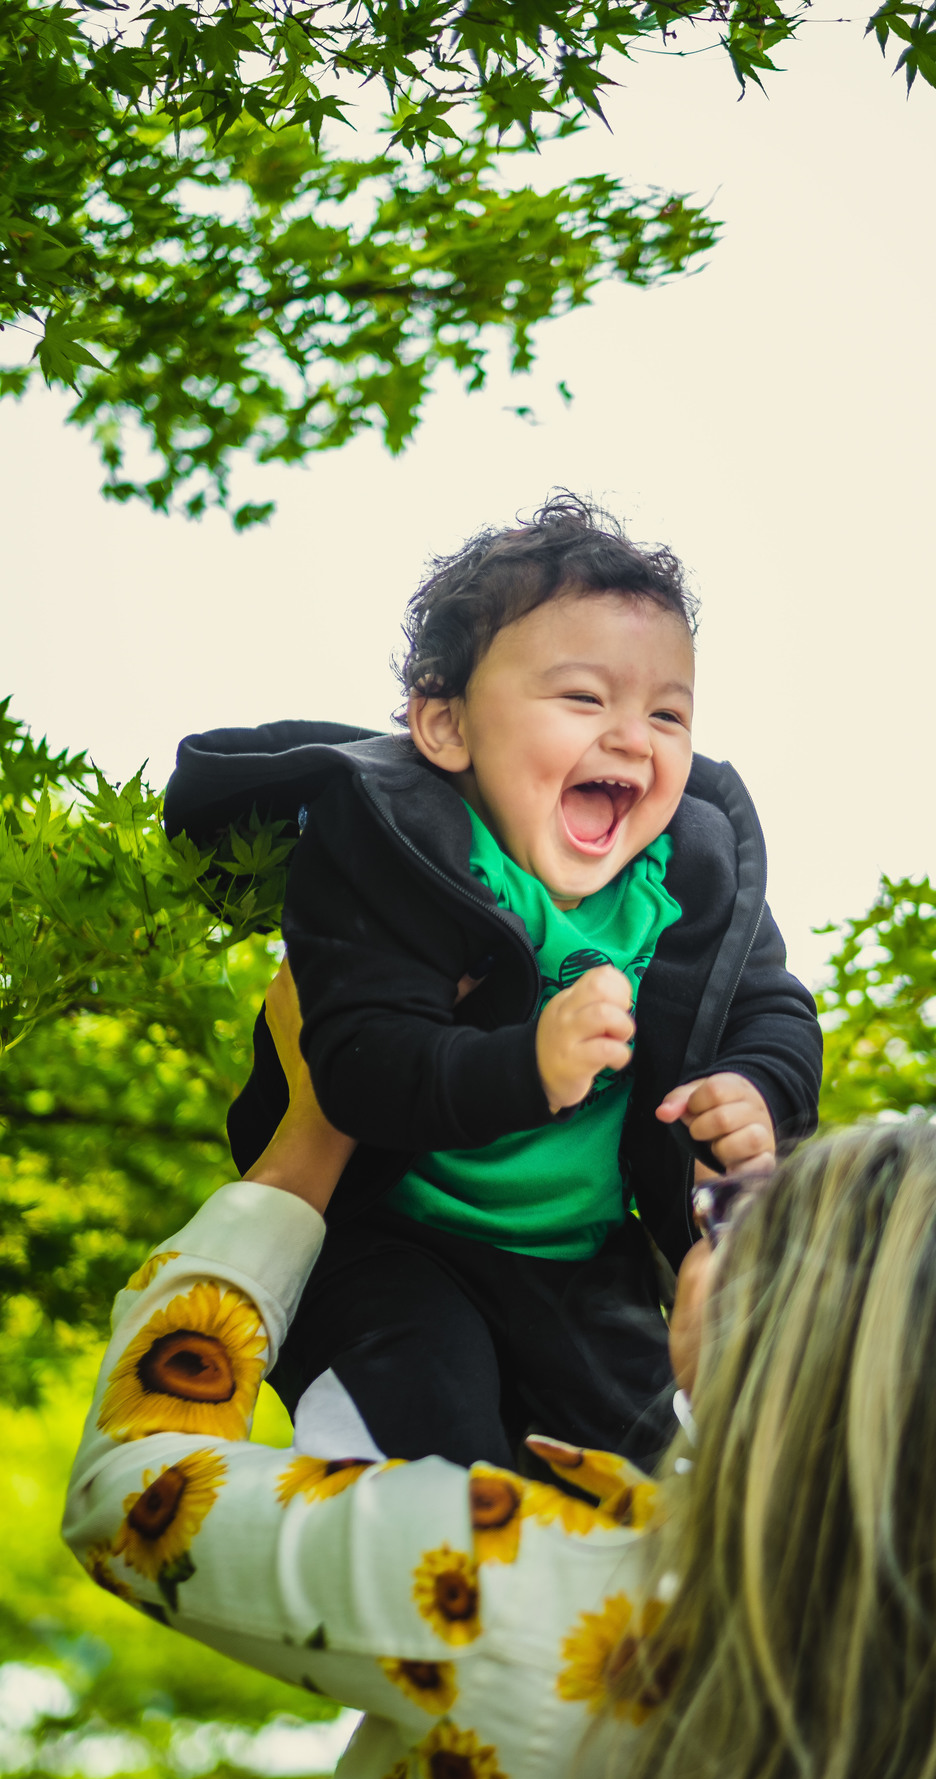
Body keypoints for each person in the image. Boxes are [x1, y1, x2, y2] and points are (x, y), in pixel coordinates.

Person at [64, 964, 936, 1779]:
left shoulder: (523, 1586)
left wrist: (307, 1139)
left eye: (749, 1214)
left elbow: (130, 1488)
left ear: (792, 1334)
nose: (708, 1210)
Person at [163, 495, 823, 1471]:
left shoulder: (691, 869)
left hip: (583, 1257)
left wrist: (760, 1088)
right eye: (584, 700)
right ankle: (378, 1533)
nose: (635, 739)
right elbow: (356, 1064)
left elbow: (772, 1006)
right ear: (447, 726)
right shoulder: (394, 843)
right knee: (421, 1432)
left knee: (635, 1484)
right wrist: (528, 1064)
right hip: (399, 1236)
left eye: (668, 712)